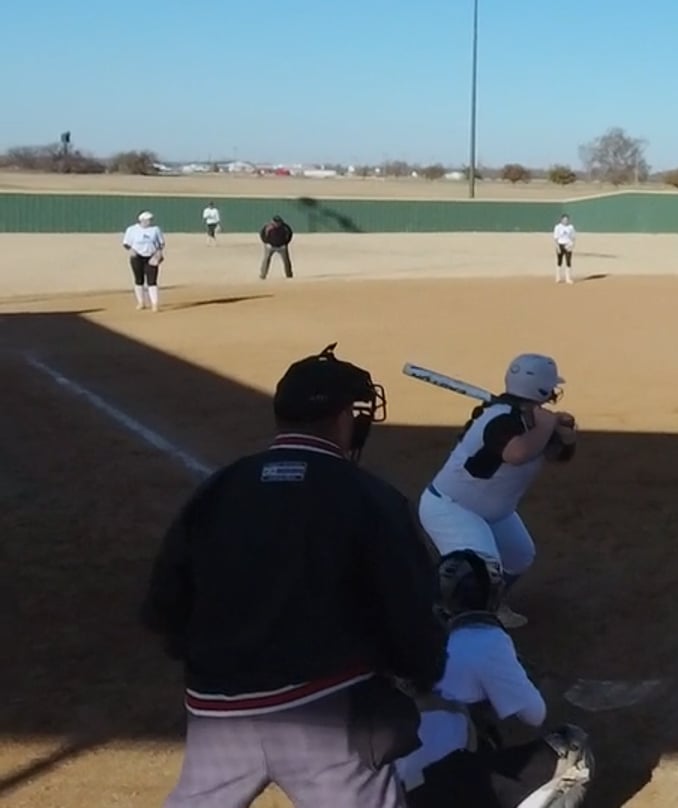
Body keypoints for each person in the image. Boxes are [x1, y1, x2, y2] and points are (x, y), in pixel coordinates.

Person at [140, 343, 447, 808]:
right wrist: (421, 673)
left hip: (218, 714)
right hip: (326, 716)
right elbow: (409, 611)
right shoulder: (370, 496)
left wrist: (213, 666)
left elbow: (165, 604)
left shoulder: (220, 488)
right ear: (344, 417)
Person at [396, 551, 595, 808]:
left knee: (474, 732)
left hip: (386, 792)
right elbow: (534, 715)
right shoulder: (484, 639)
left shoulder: (402, 640)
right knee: (572, 748)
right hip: (444, 788)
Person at [416, 354, 578, 630]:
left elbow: (559, 455)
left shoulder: (533, 421)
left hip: (493, 512)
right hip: (452, 508)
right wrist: (546, 425)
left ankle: (492, 605)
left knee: (519, 556)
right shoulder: (500, 419)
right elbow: (517, 453)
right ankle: (449, 626)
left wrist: (566, 435)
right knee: (477, 569)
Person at [123, 210, 167, 311]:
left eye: (150, 220)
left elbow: (161, 243)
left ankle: (154, 304)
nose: (149, 221)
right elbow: (126, 243)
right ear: (141, 220)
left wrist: (158, 254)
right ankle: (141, 302)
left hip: (151, 256)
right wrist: (132, 250)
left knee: (152, 281)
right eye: (147, 220)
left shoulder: (155, 229)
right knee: (139, 280)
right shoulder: (132, 229)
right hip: (137, 257)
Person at [260, 214, 294, 279]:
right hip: (270, 246)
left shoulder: (285, 227)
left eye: (278, 222)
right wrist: (266, 243)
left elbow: (290, 235)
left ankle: (289, 275)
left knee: (286, 261)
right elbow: (262, 234)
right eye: (275, 222)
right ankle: (263, 275)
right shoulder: (267, 227)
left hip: (282, 247)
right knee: (266, 260)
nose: (277, 224)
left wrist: (285, 243)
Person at [552, 214, 576, 284]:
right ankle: (558, 277)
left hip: (568, 245)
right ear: (561, 220)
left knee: (568, 261)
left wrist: (571, 245)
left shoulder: (571, 227)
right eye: (564, 220)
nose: (565, 221)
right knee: (559, 261)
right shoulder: (557, 227)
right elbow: (555, 238)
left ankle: (568, 278)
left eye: (567, 220)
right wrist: (557, 247)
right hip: (560, 245)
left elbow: (573, 237)